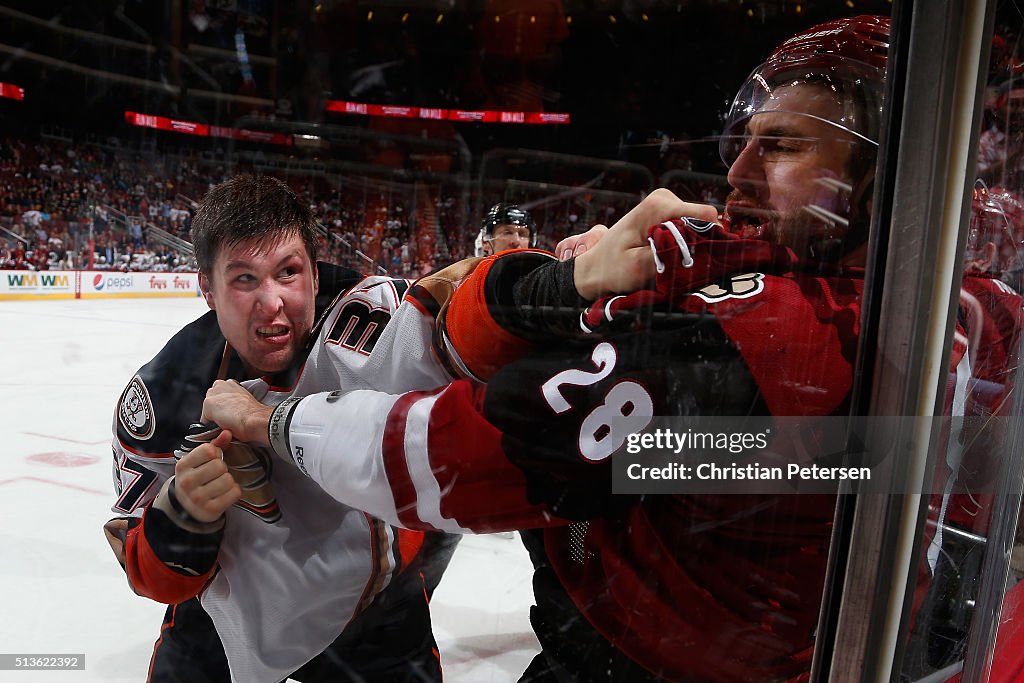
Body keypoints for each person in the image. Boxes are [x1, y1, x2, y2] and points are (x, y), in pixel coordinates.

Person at [103, 175, 460, 683]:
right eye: (244, 278)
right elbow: (147, 571)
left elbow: (478, 335)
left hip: (370, 613)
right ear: (207, 288)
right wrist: (182, 519)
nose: (271, 302)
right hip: (222, 622)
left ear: (315, 275)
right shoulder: (162, 397)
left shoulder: (375, 323)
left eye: (287, 272)